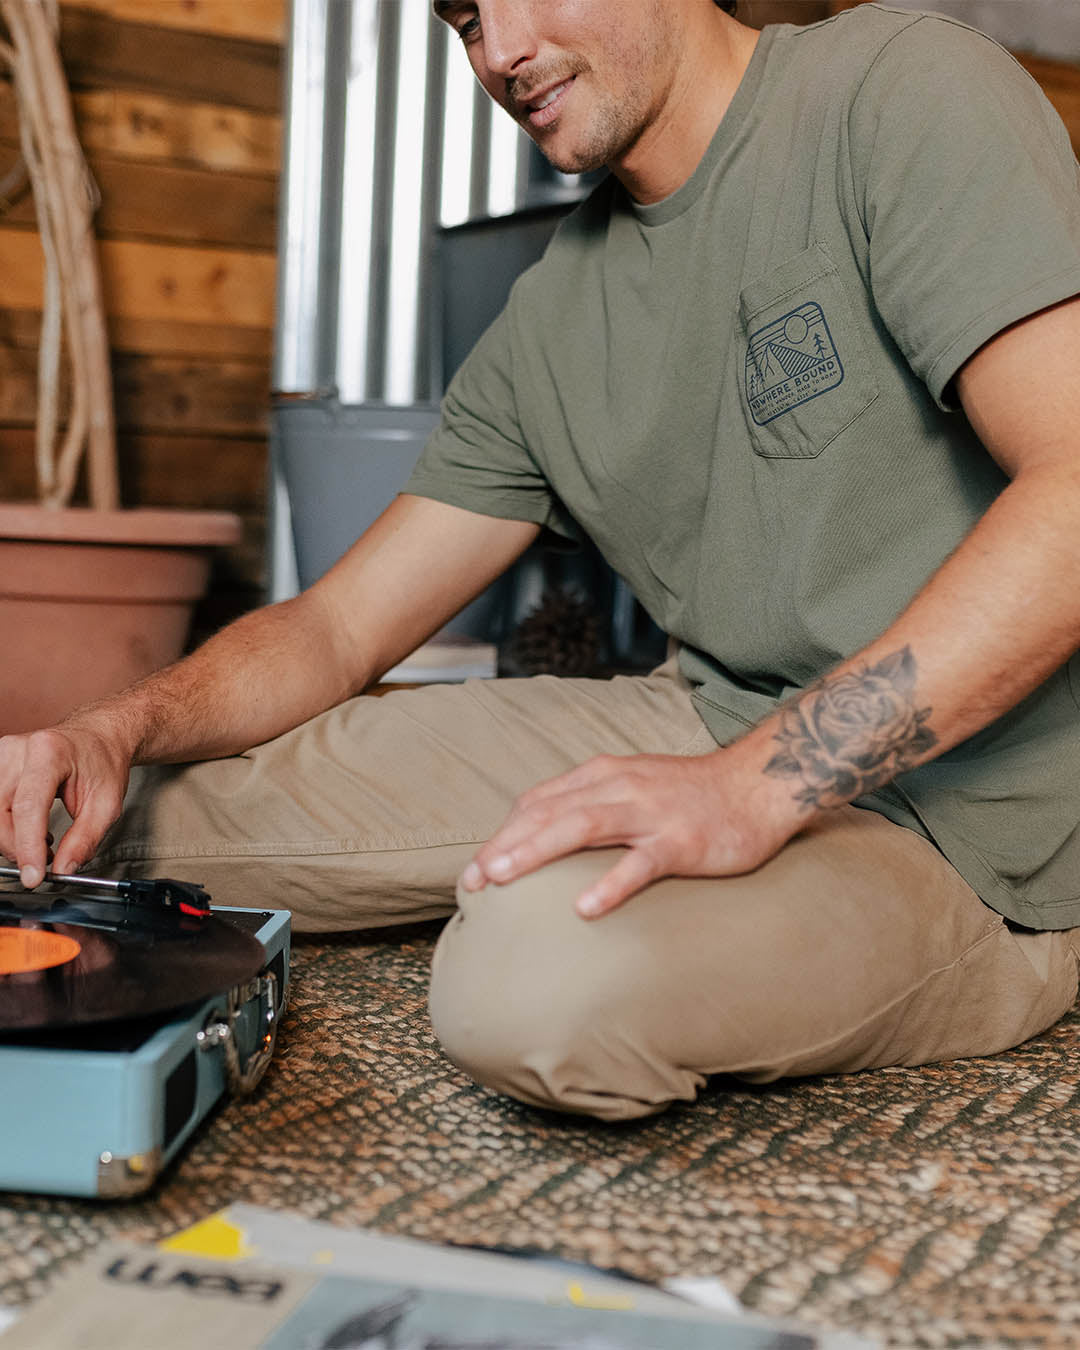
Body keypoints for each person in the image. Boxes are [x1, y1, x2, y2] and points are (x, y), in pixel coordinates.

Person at [2, 0, 1080, 1121]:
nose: (500, 52)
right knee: (98, 828)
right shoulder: (554, 314)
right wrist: (112, 728)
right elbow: (335, 628)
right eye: (465, 18)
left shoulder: (898, 89)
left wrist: (753, 790)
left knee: (528, 982)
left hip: (987, 827)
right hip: (711, 717)